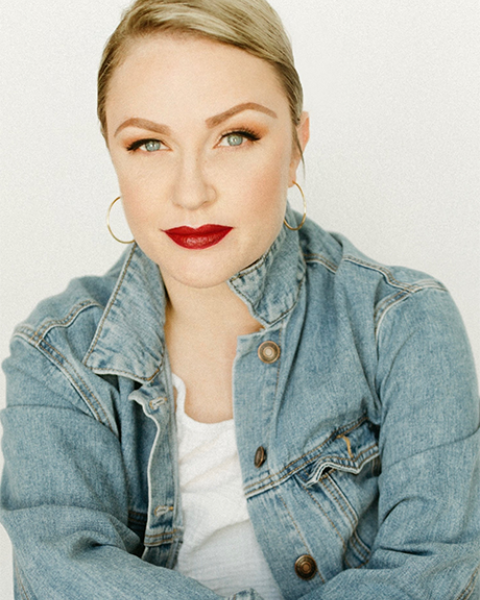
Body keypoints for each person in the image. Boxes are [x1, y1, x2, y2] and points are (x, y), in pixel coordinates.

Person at [1, 0, 479, 598]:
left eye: (234, 135)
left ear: (296, 143)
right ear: (110, 151)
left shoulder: (404, 324)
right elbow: (61, 573)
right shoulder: (55, 360)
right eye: (148, 143)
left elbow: (434, 572)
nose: (190, 191)